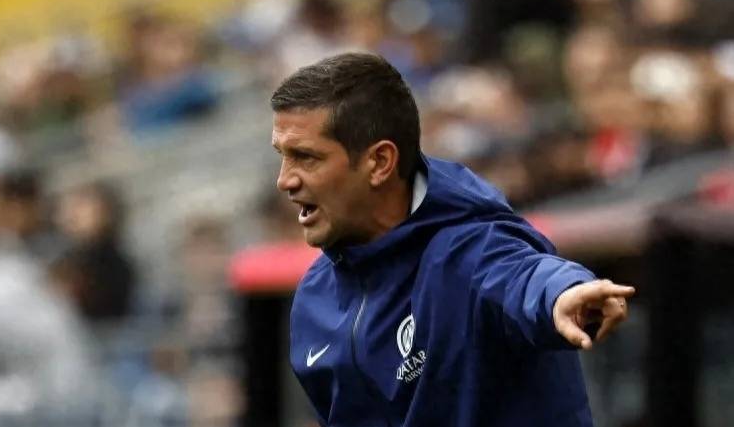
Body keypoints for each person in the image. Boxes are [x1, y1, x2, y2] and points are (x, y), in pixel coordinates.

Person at [270, 53, 635, 427]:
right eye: (282, 156)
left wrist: (564, 293)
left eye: (306, 157)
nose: (285, 180)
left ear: (379, 162)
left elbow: (522, 275)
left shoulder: (467, 251)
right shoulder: (314, 300)